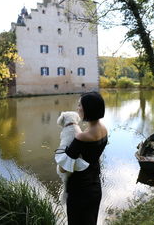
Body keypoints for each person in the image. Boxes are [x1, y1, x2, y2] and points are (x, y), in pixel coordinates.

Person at [56, 91, 107, 225]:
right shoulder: (103, 129)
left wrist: (61, 152)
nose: (77, 108)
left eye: (79, 105)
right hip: (95, 185)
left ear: (87, 109)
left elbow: (62, 168)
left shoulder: (82, 137)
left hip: (79, 190)